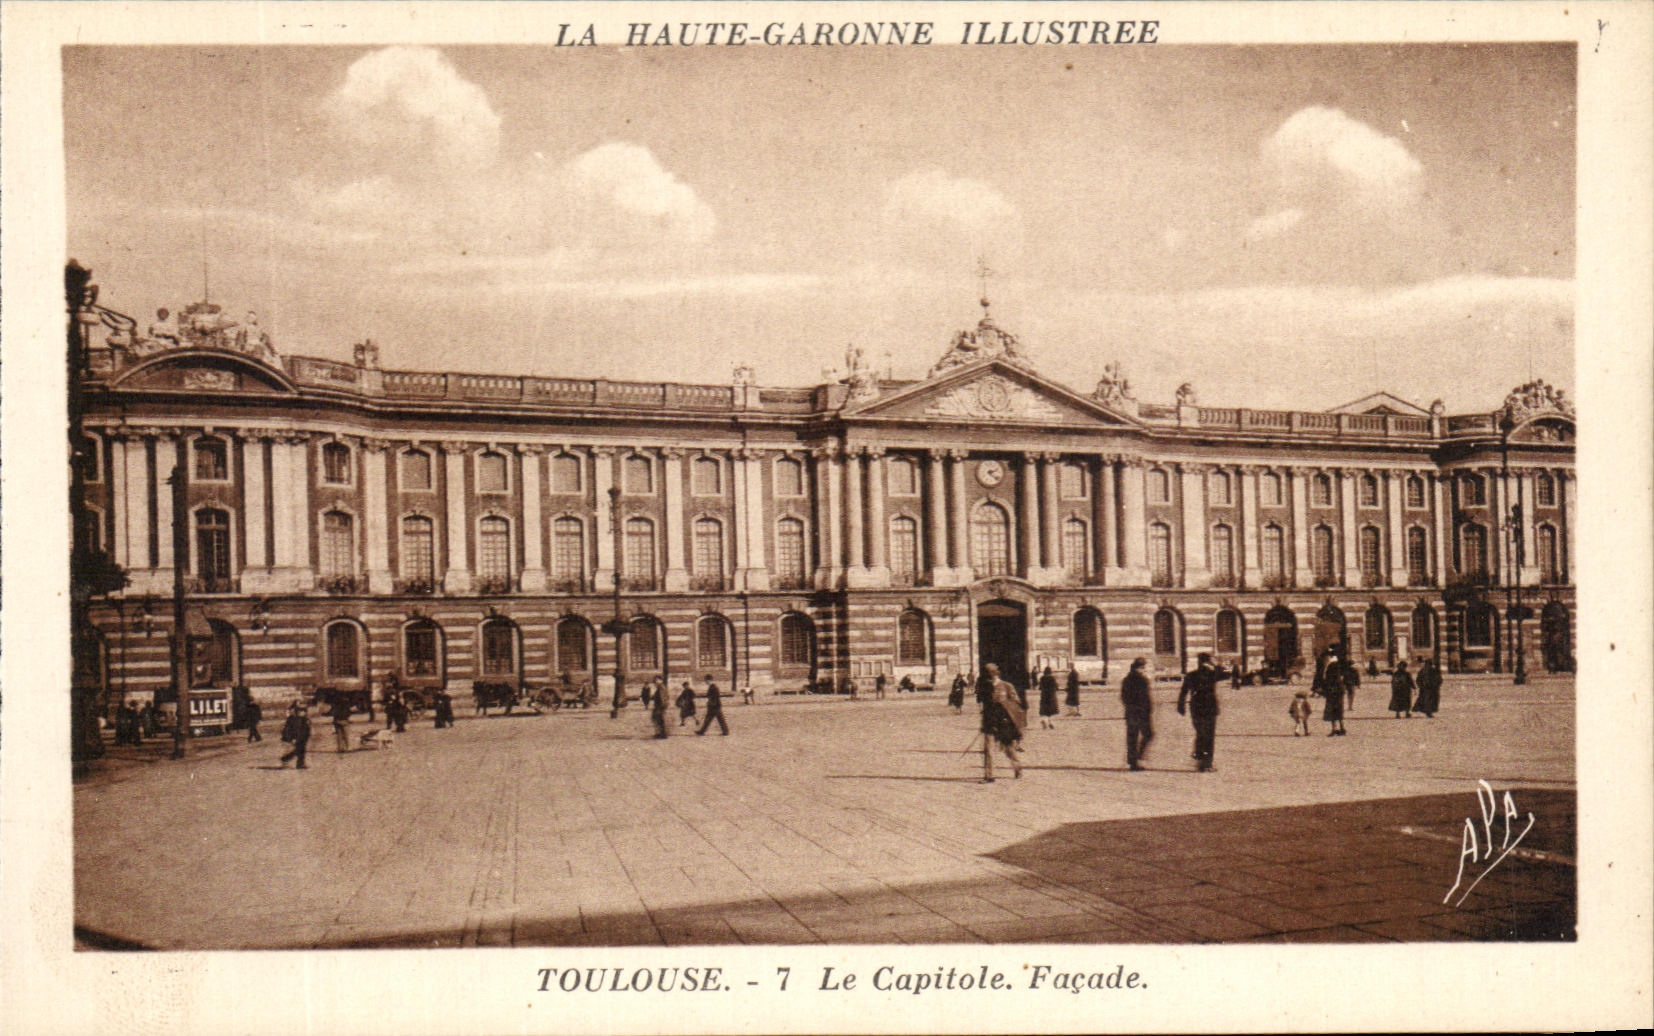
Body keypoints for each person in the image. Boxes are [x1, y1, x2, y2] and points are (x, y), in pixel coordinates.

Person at [1176, 652, 1226, 771]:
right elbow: (1227, 674)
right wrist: (1217, 665)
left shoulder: (1191, 675)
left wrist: (1181, 706)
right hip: (1209, 707)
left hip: (1196, 707)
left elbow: (1183, 692)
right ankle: (1206, 763)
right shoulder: (1212, 674)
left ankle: (1200, 756)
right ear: (1208, 662)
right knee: (1209, 736)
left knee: (1200, 733)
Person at [978, 663, 1025, 782]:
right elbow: (983, 706)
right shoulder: (985, 687)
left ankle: (1017, 767)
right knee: (988, 750)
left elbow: (1016, 704)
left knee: (1008, 749)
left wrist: (1007, 712)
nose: (989, 677)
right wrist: (984, 722)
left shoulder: (1007, 686)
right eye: (987, 675)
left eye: (991, 674)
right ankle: (989, 776)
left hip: (1004, 723)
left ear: (996, 674)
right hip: (989, 722)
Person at [1120, 658, 1153, 770]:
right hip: (1142, 713)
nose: (1144, 669)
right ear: (1140, 668)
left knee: (1132, 737)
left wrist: (1129, 707)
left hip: (1131, 712)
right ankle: (1138, 756)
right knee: (1148, 734)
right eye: (1143, 667)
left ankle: (1132, 762)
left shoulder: (1126, 680)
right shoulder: (1143, 680)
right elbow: (1146, 698)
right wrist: (1148, 710)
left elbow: (1124, 697)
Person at [1316, 650, 1348, 736]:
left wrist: (1325, 689)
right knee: (1337, 709)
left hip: (1334, 691)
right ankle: (1339, 728)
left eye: (1325, 658)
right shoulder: (1332, 665)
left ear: (1328, 657)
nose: (1324, 660)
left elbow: (1333, 679)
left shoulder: (1333, 665)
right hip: (1335, 691)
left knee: (1334, 709)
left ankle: (1337, 729)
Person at [279, 703, 311, 769]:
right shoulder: (293, 719)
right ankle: (285, 759)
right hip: (296, 738)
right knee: (298, 750)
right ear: (296, 712)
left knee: (302, 750)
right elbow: (290, 730)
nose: (302, 713)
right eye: (300, 711)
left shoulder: (305, 719)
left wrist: (307, 735)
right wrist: (292, 738)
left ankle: (300, 764)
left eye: (304, 711)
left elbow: (307, 729)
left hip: (303, 737)